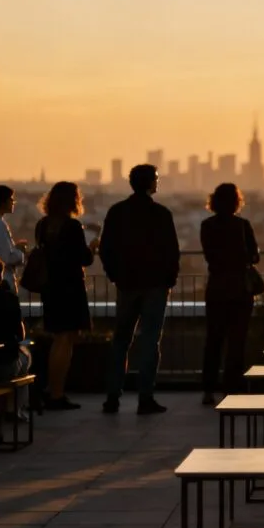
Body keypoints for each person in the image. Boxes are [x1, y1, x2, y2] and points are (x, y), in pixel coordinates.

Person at [100, 164, 179, 415]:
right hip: (154, 285)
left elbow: (106, 248)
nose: (158, 182)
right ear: (149, 183)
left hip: (127, 284)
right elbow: (171, 251)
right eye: (156, 178)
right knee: (149, 341)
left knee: (120, 341)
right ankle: (145, 397)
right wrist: (169, 279)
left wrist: (115, 276)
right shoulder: (161, 214)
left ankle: (113, 396)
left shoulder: (117, 212)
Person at [36, 182, 98, 410]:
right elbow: (84, 258)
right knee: (65, 339)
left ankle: (53, 390)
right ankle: (57, 393)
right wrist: (92, 248)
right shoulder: (72, 226)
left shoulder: (43, 225)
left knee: (58, 338)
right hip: (70, 288)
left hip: (51, 288)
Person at [200, 183, 259, 405]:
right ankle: (231, 387)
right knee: (237, 341)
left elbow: (209, 256)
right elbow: (254, 256)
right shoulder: (243, 225)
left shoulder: (207, 226)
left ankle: (208, 389)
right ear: (237, 201)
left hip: (216, 288)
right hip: (240, 290)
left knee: (213, 340)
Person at [0, 255, 31, 429]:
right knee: (24, 360)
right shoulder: (8, 299)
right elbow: (20, 335)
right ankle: (12, 412)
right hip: (1, 364)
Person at [0, 186, 27, 292]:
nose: (13, 202)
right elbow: (6, 257)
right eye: (11, 199)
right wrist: (20, 252)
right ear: (2, 202)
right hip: (3, 284)